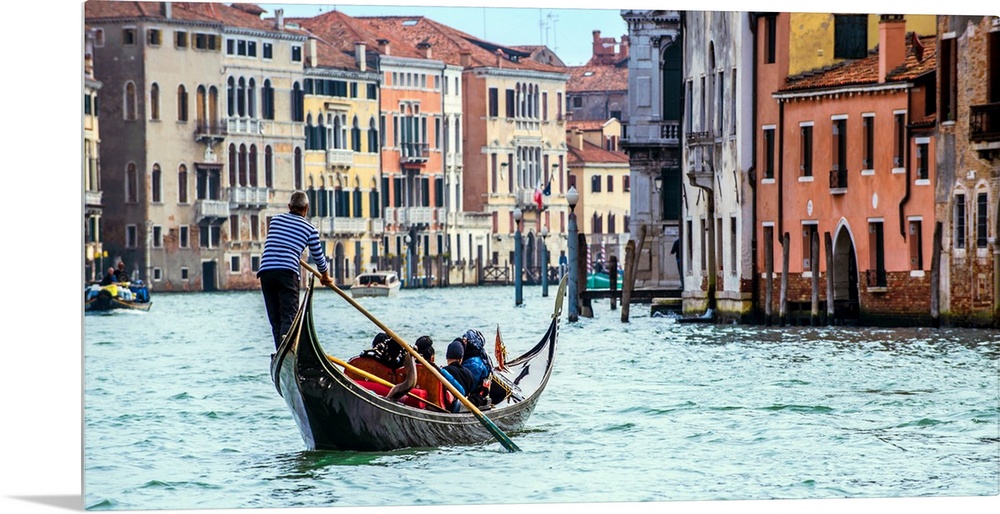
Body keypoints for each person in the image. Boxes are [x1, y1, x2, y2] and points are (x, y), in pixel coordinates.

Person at [257, 191, 333, 349]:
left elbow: (279, 242)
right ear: (306, 208)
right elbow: (319, 258)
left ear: (289, 206)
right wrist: (325, 277)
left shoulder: (275, 221)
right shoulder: (310, 229)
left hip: (266, 272)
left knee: (275, 320)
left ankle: (280, 351)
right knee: (288, 317)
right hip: (287, 272)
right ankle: (287, 353)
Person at [459, 329, 493, 407]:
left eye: (465, 340)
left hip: (475, 399)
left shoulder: (474, 364)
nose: (463, 343)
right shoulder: (478, 357)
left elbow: (468, 386)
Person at [440, 339, 474, 413]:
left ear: (447, 357)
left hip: (448, 409)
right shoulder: (469, 373)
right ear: (461, 359)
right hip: (463, 408)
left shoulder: (442, 372)